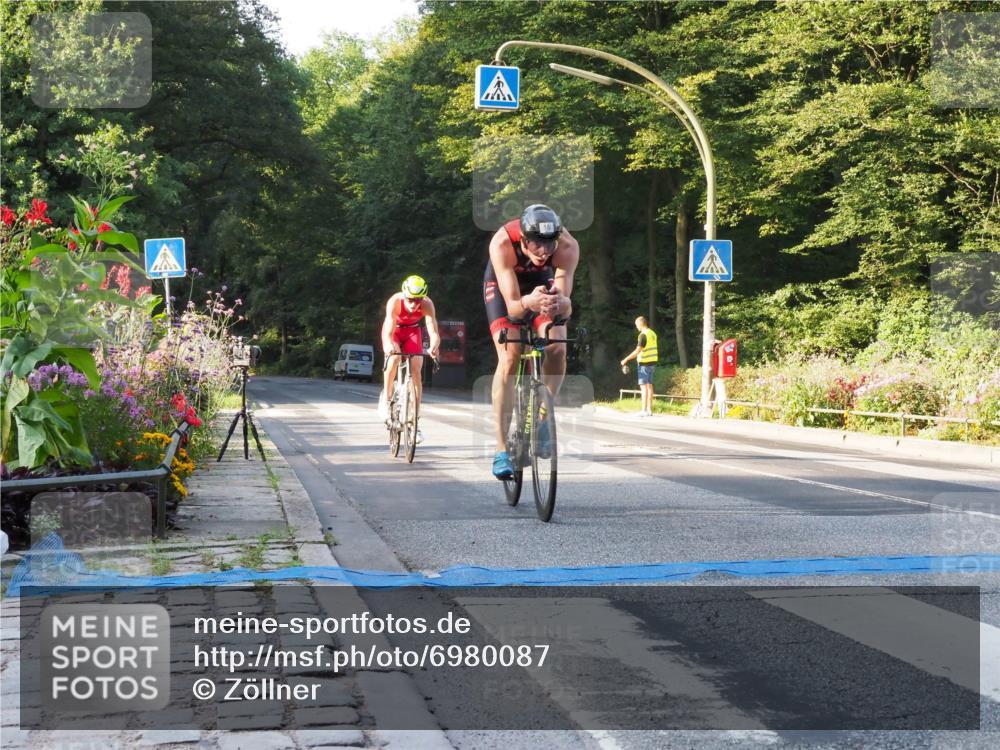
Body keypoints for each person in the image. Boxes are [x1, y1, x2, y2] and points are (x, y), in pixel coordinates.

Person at [484, 204, 579, 479]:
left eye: (549, 245)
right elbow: (514, 307)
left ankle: (542, 417)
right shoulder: (502, 242)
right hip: (508, 291)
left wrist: (563, 303)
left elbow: (562, 303)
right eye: (537, 245)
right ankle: (501, 449)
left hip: (542, 283)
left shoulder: (567, 247)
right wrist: (528, 301)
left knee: (557, 346)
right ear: (524, 240)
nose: (543, 252)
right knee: (510, 356)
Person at [378, 275, 441, 443]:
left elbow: (433, 330)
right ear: (405, 295)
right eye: (411, 299)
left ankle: (414, 421)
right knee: (394, 359)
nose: (414, 304)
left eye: (418, 300)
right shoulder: (395, 302)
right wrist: (387, 345)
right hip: (395, 331)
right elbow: (388, 331)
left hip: (413, 331)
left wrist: (434, 345)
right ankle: (387, 397)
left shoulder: (427, 304)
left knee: (416, 371)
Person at [621, 316, 658, 417]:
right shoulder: (652, 333)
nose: (636, 327)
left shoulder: (643, 335)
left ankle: (644, 410)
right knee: (650, 386)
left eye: (636, 325)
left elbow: (638, 351)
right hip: (652, 363)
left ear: (640, 324)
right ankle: (649, 410)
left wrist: (626, 359)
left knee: (643, 387)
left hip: (644, 363)